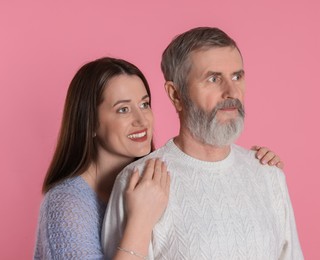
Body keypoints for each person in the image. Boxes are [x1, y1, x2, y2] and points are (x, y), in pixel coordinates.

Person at [34, 57, 283, 259]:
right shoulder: (67, 204)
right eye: (123, 109)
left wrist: (255, 170)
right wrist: (140, 222)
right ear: (89, 123)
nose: (142, 120)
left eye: (144, 104)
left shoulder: (152, 178)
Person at [102, 28, 303, 259]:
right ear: (176, 95)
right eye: (213, 79)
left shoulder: (269, 175)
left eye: (237, 76)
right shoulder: (137, 181)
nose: (231, 92)